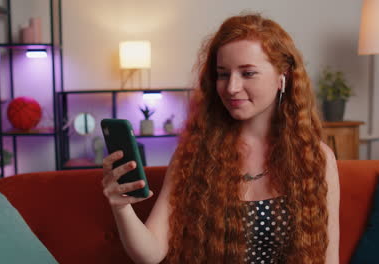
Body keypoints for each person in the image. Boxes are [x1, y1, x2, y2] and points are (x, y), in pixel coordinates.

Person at [102, 13, 340, 264]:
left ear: (283, 77)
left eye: (248, 73)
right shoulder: (194, 153)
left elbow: (328, 258)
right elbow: (150, 254)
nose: (231, 87)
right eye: (223, 74)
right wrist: (121, 207)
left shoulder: (316, 157)